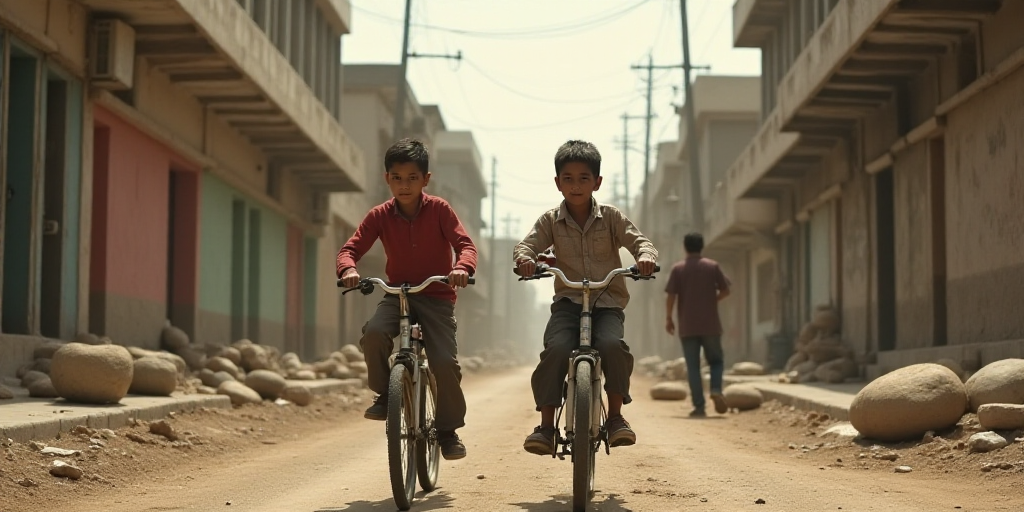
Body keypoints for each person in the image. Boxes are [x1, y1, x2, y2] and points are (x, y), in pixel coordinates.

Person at [513, 140, 658, 456]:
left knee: (611, 346)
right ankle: (547, 426)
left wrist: (645, 257)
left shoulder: (612, 218)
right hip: (568, 303)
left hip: (607, 303)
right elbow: (526, 246)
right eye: (568, 178)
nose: (575, 185)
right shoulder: (550, 220)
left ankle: (617, 416)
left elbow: (641, 242)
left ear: (597, 182)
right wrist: (525, 259)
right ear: (557, 183)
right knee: (556, 349)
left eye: (583, 178)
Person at [336, 138, 477, 460]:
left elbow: (465, 245)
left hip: (437, 296)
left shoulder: (440, 209)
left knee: (444, 363)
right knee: (373, 335)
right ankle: (387, 394)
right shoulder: (379, 215)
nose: (404, 185)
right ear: (387, 178)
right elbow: (350, 249)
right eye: (397, 178)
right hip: (397, 294)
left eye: (412, 178)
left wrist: (461, 268)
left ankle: (447, 431)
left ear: (426, 179)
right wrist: (348, 269)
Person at [663, 232, 731, 417]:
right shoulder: (712, 266)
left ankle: (699, 407)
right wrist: (713, 300)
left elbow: (671, 295)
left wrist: (669, 318)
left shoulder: (678, 269)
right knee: (716, 361)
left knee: (693, 367)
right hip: (711, 324)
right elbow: (726, 290)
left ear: (685, 247)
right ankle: (716, 388)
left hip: (687, 325)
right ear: (702, 246)